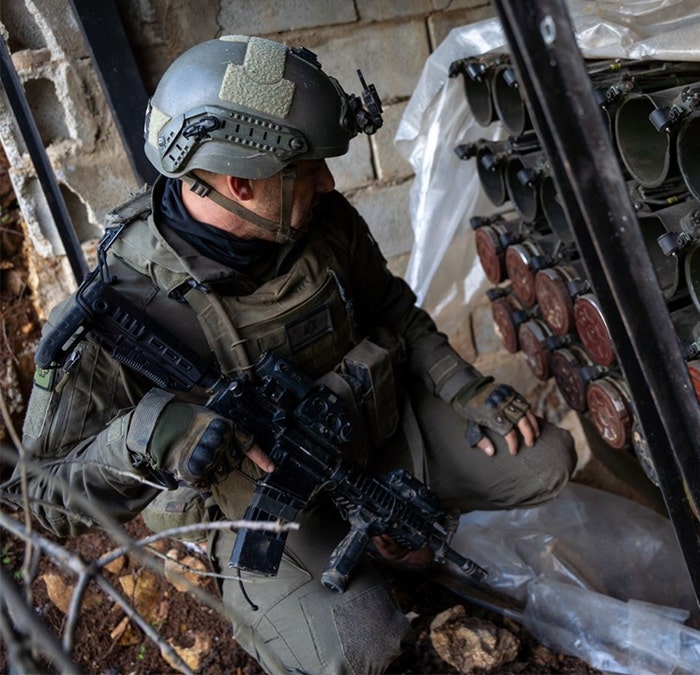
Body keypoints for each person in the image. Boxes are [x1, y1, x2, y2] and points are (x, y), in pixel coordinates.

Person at [20, 35, 576, 673]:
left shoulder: (321, 220)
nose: (330, 181)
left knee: (543, 461)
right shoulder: (124, 305)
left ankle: (380, 540)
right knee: (359, 648)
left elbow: (392, 309)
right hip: (270, 513)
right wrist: (147, 435)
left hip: (377, 439)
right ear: (240, 182)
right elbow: (37, 499)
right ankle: (269, 600)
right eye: (308, 168)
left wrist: (466, 386)